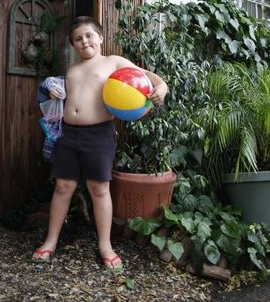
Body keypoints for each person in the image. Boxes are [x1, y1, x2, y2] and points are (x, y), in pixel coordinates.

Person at [31, 16, 168, 272]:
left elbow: (147, 76)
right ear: (74, 45)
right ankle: (50, 241)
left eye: (89, 36)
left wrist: (162, 86)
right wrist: (51, 90)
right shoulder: (72, 69)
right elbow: (59, 96)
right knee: (62, 187)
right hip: (68, 135)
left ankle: (105, 245)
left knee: (99, 189)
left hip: (99, 135)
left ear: (101, 38)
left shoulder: (112, 62)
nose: (85, 42)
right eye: (78, 39)